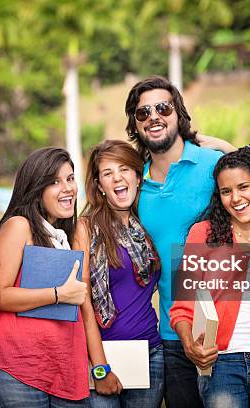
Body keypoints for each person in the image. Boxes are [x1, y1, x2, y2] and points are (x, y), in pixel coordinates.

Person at [124, 75, 233, 407]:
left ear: (178, 113)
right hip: (173, 335)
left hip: (228, 332)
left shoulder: (212, 165)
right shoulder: (133, 184)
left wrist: (226, 147)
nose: (153, 117)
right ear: (135, 124)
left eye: (162, 108)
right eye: (143, 113)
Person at [170, 146, 250, 408]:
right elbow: (182, 307)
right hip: (219, 361)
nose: (235, 198)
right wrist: (190, 345)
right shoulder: (202, 234)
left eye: (243, 187)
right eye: (226, 191)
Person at [0, 147, 89, 407]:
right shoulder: (20, 225)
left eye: (70, 178)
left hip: (62, 373)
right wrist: (59, 294)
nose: (68, 188)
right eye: (54, 182)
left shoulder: (63, 237)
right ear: (36, 188)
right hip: (17, 370)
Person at [73, 140, 163, 408]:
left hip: (151, 354)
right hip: (102, 357)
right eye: (107, 173)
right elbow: (82, 300)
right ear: (99, 185)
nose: (117, 178)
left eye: (124, 169)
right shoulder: (85, 228)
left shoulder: (144, 228)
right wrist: (100, 367)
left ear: (138, 176)